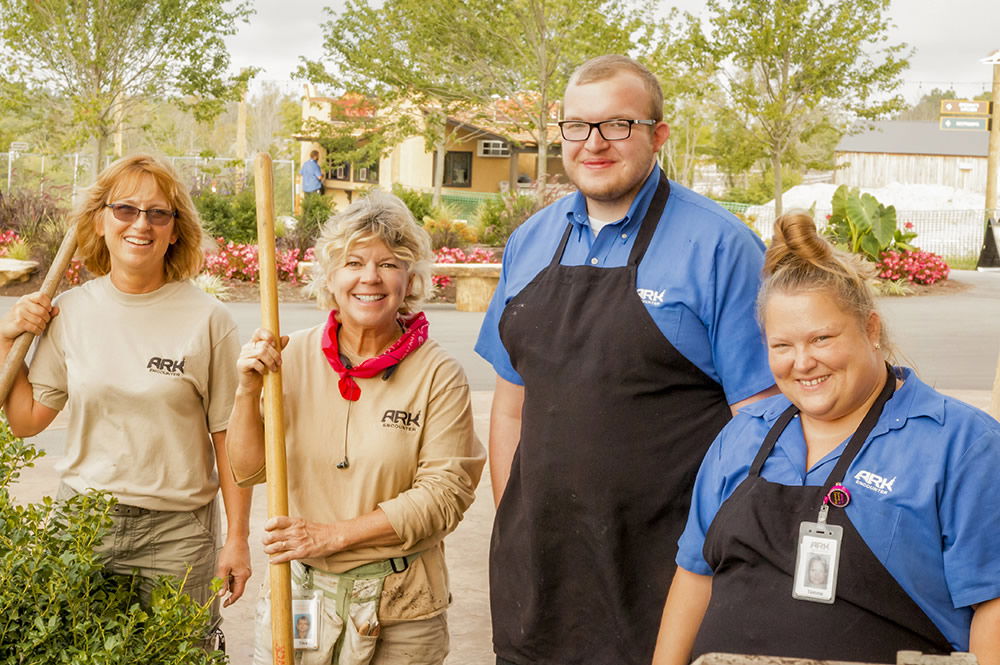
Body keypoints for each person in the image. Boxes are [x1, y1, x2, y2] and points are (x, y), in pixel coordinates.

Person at [475, 54, 776, 665]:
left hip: (663, 577)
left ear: (658, 135)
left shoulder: (722, 247)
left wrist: (715, 556)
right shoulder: (528, 242)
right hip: (540, 575)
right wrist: (520, 519)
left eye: (617, 125)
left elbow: (762, 425)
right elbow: (511, 408)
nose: (594, 143)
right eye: (577, 126)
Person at [652, 213, 1000, 665]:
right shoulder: (742, 434)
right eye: (782, 346)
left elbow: (992, 606)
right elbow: (694, 577)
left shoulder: (962, 444)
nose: (802, 363)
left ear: (871, 330)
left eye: (821, 339)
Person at [229, 190, 486, 665]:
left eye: (389, 263)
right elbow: (247, 471)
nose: (370, 277)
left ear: (409, 281)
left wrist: (333, 535)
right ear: (330, 278)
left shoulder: (438, 374)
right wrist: (247, 390)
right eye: (353, 262)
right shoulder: (288, 358)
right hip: (300, 596)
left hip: (400, 603)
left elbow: (446, 494)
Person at [0, 153, 252, 634]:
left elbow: (228, 439)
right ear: (100, 220)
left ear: (176, 230)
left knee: (180, 652)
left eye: (159, 213)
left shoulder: (209, 320)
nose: (142, 224)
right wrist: (6, 339)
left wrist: (237, 538)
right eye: (125, 210)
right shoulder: (67, 312)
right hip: (81, 525)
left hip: (179, 533)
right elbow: (26, 420)